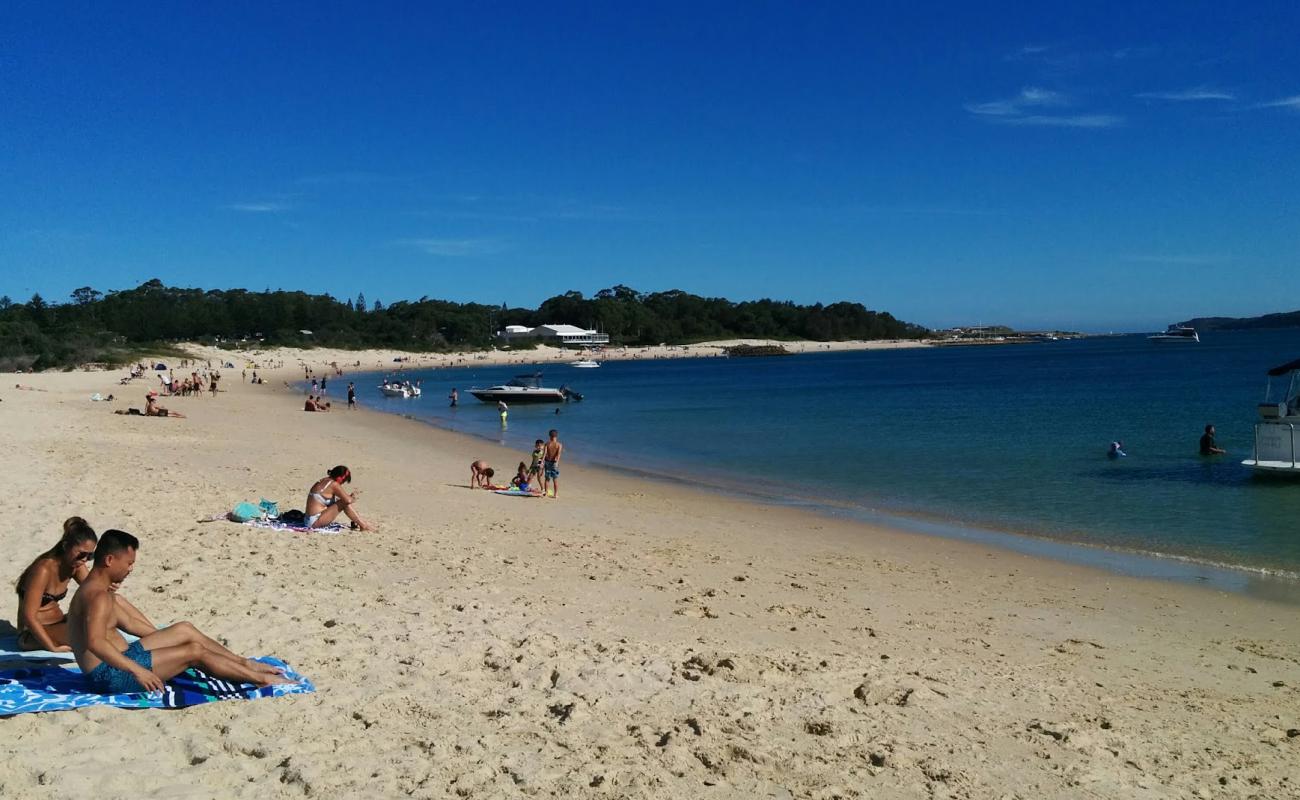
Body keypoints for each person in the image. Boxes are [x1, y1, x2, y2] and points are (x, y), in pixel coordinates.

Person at [68, 529, 290, 693]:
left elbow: (127, 625)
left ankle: (244, 663)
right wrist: (139, 671)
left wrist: (164, 643)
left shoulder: (96, 589)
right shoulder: (98, 596)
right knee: (194, 651)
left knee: (184, 629)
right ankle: (260, 680)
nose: (130, 569)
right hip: (109, 676)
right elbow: (95, 642)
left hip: (121, 659)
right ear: (109, 560)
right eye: (128, 563)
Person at [14, 518, 152, 652]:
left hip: (59, 623)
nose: (84, 560)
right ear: (65, 546)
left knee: (115, 599)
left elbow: (94, 592)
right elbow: (29, 616)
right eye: (81, 554)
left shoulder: (75, 565)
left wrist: (109, 587)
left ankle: (156, 634)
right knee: (95, 631)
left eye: (89, 556)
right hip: (33, 633)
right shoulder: (43, 569)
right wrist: (52, 647)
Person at [305, 466, 374, 530]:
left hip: (309, 520)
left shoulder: (324, 480)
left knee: (340, 501)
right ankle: (364, 525)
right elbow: (348, 500)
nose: (343, 483)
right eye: (344, 481)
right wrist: (353, 497)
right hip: (314, 522)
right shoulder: (334, 484)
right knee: (344, 502)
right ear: (340, 478)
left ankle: (361, 523)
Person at [542, 429, 563, 498]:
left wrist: (542, 461)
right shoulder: (559, 445)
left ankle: (546, 494)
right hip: (554, 463)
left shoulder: (547, 444)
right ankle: (555, 494)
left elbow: (544, 454)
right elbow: (558, 454)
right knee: (555, 479)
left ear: (549, 436)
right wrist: (557, 462)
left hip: (547, 462)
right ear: (556, 436)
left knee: (547, 479)